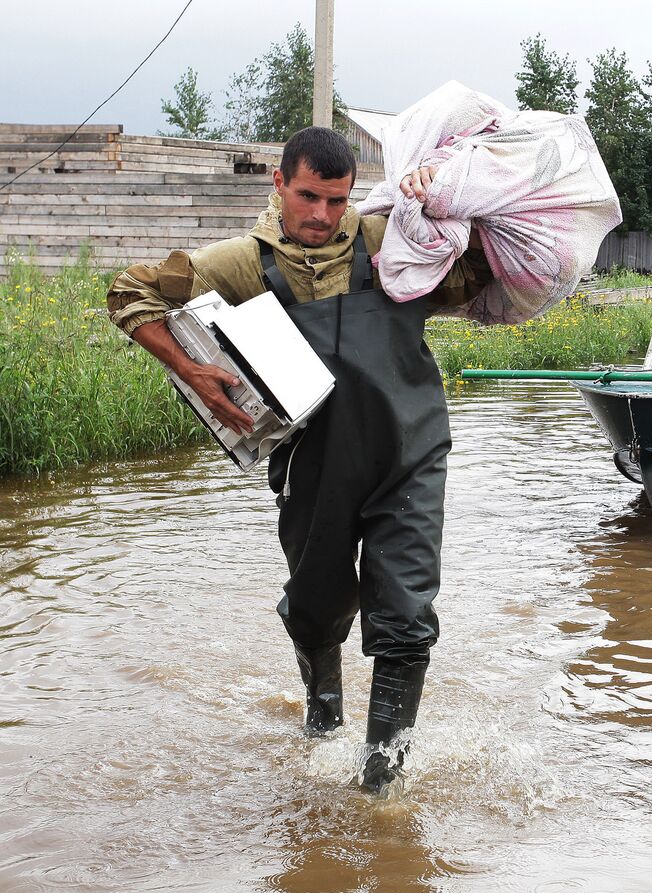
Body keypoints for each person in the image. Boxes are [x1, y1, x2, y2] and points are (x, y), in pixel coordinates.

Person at [105, 127, 492, 795]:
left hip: (411, 452)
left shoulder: (385, 241)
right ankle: (322, 722)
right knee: (317, 608)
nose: (321, 216)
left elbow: (469, 276)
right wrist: (193, 371)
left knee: (404, 618)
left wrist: (453, 202)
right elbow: (129, 293)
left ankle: (381, 787)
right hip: (315, 465)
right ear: (279, 183)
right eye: (308, 196)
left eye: (337, 201)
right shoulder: (243, 262)